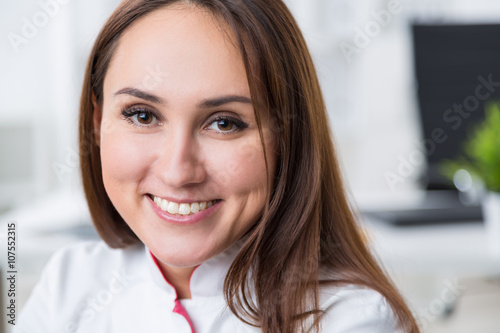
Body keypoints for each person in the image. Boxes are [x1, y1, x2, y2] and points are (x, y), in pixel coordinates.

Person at [16, 0, 420, 332]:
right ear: (97, 122)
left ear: (287, 138)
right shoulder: (67, 287)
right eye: (142, 115)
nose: (177, 171)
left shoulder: (351, 320)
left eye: (224, 123)